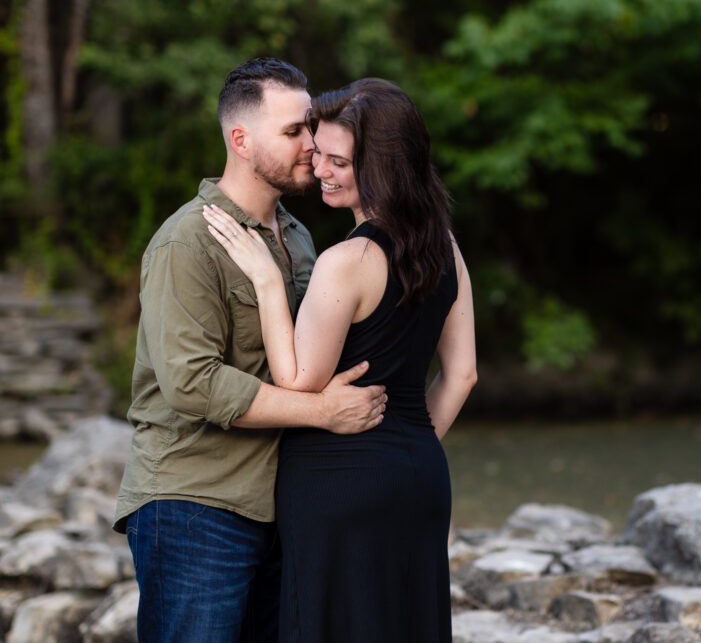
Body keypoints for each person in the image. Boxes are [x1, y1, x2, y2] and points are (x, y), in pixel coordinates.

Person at [113, 58, 388, 643]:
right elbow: (193, 384)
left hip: (281, 505)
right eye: (293, 132)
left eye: (310, 128)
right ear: (240, 139)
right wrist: (323, 413)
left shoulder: (300, 237)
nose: (312, 145)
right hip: (195, 504)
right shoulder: (186, 242)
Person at [202, 77, 477, 642]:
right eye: (317, 153)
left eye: (338, 161)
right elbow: (464, 374)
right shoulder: (446, 245)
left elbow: (300, 380)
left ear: (383, 167)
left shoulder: (346, 259)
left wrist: (267, 282)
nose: (320, 169)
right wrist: (407, 445)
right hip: (421, 475)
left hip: (336, 483)